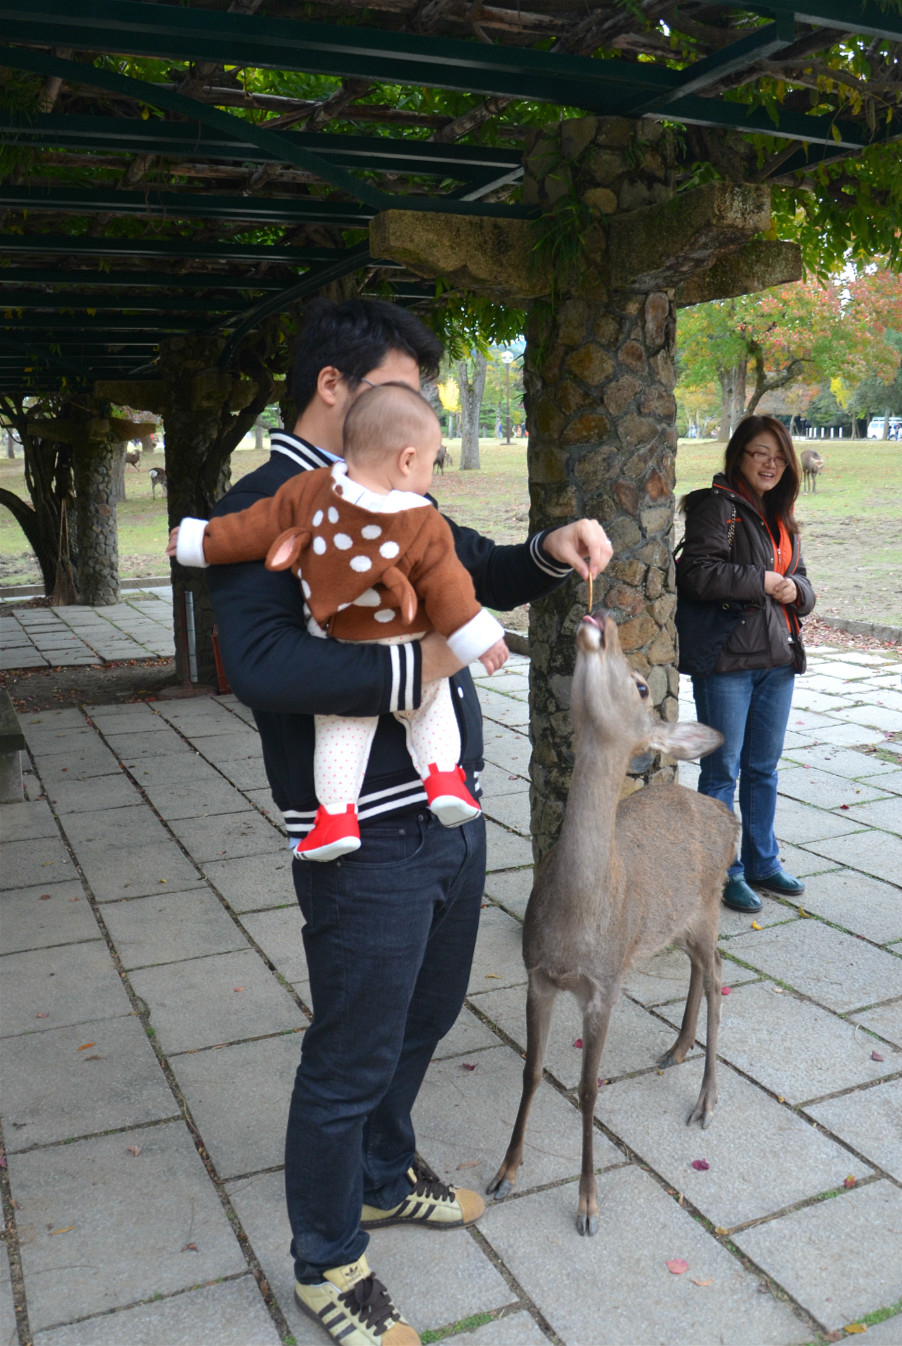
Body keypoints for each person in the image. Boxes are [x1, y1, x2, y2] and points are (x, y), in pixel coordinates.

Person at [201, 297, 612, 1346]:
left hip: (448, 810)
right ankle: (328, 1258)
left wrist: (551, 550)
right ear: (336, 388)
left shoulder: (393, 487)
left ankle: (384, 1173)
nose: (417, 413)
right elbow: (259, 662)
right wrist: (415, 663)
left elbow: (467, 565)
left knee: (423, 1017)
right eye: (405, 390)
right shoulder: (266, 500)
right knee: (350, 1052)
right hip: (361, 833)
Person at [169, 383, 509, 861]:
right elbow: (449, 586)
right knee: (432, 708)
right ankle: (445, 779)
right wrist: (479, 637)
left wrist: (199, 541)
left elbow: (256, 528)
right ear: (407, 460)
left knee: (338, 734)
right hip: (406, 633)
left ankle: (335, 819)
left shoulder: (310, 490)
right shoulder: (421, 520)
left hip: (339, 641)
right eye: (433, 462)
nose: (432, 475)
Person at [677, 415, 816, 915]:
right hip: (728, 662)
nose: (770, 464)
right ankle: (723, 872)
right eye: (760, 453)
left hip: (778, 659)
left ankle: (762, 861)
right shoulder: (717, 507)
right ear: (738, 455)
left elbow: (803, 583)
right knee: (722, 771)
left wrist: (795, 589)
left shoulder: (781, 514)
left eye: (779, 457)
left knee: (763, 769)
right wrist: (762, 580)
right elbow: (695, 572)